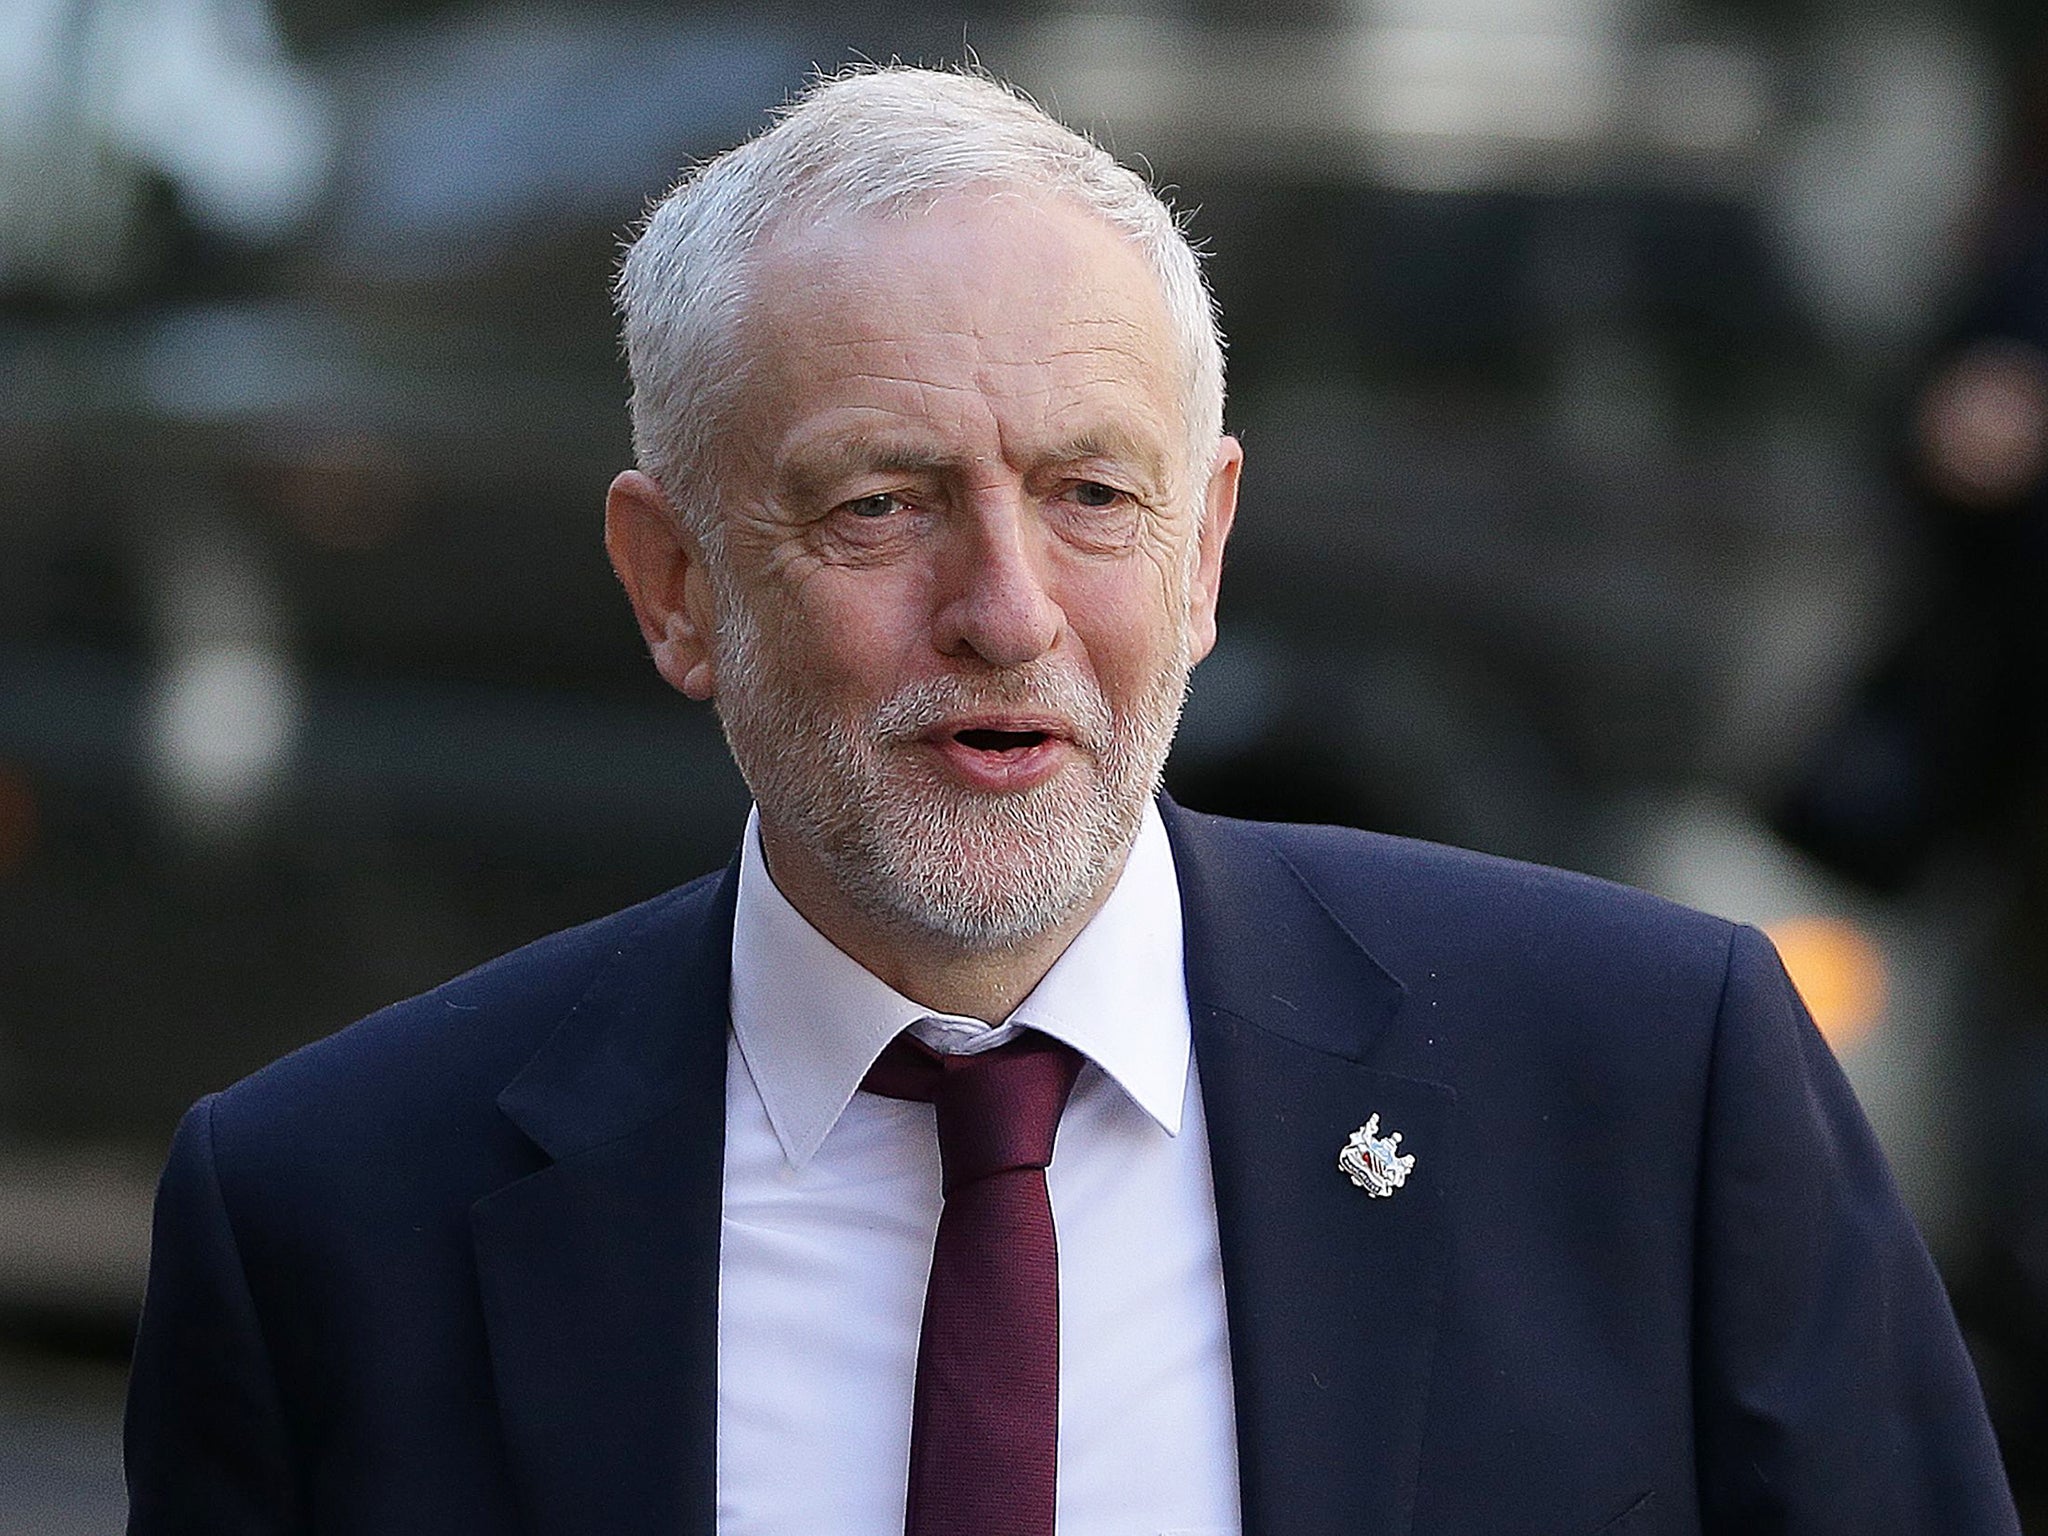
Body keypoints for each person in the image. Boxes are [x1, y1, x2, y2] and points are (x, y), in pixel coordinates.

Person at [124, 66, 2019, 1536]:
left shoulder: (1654, 1090)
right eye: (881, 502)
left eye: (1093, 498)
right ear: (676, 582)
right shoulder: (329, 1222)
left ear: (1205, 550)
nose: (1010, 608)